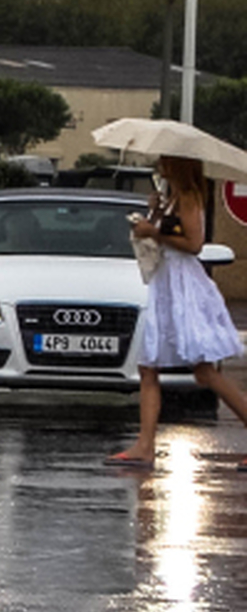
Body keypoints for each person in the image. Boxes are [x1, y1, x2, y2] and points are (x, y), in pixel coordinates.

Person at [110, 153, 247, 467]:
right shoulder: (172, 198)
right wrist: (156, 212)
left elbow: (194, 243)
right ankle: (144, 445)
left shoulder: (188, 197)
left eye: (166, 161)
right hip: (165, 284)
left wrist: (154, 231)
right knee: (150, 368)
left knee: (205, 372)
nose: (160, 166)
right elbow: (168, 235)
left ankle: (145, 446)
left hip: (182, 286)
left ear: (180, 165)